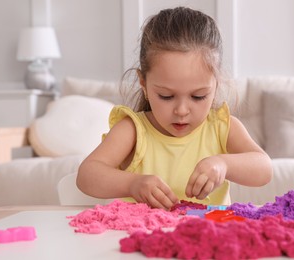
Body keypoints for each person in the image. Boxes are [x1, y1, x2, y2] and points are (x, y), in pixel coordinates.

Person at [77, 6, 273, 210]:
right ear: (143, 84)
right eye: (166, 96)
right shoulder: (133, 130)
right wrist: (132, 183)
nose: (181, 110)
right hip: (142, 237)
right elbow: (87, 175)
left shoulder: (223, 127)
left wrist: (223, 164)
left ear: (216, 85)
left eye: (198, 96)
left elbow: (264, 169)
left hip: (207, 237)